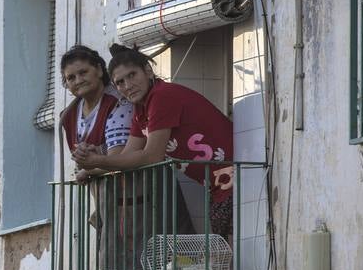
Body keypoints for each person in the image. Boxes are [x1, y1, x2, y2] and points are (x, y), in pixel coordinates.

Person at [73, 43, 235, 239]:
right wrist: (90, 169)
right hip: (220, 187)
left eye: (132, 75)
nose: (128, 86)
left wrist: (96, 161)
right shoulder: (141, 110)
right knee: (227, 259)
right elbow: (127, 157)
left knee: (232, 258)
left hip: (237, 180)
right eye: (120, 82)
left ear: (148, 71)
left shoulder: (162, 96)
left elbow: (151, 157)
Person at [59, 44, 134, 182]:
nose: (78, 81)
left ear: (99, 70)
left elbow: (118, 157)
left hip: (142, 195)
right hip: (105, 198)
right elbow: (81, 161)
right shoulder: (68, 115)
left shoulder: (119, 102)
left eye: (83, 72)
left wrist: (87, 170)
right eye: (71, 78)